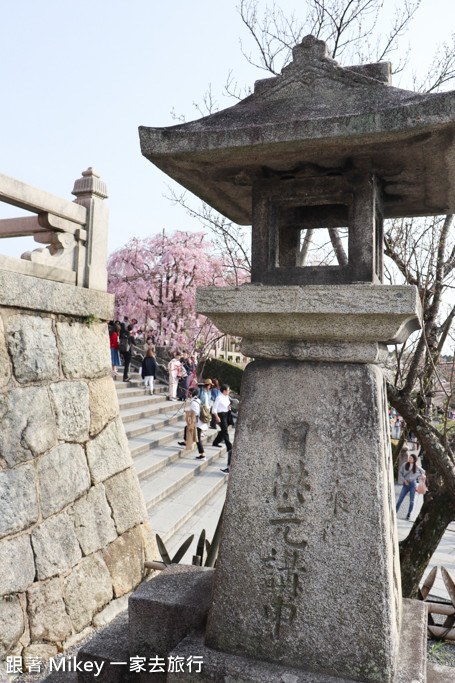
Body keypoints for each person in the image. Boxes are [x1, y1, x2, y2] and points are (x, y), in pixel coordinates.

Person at [396, 452, 426, 521]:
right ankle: (396, 511)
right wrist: (404, 480)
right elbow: (400, 473)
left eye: (411, 458)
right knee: (400, 498)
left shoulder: (417, 467)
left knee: (412, 500)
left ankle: (409, 514)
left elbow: (423, 472)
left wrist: (420, 475)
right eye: (409, 457)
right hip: (406, 484)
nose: (409, 459)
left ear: (414, 460)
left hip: (413, 484)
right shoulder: (404, 465)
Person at [212, 384, 233, 473]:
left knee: (224, 430)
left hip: (227, 414)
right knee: (225, 431)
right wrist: (217, 417)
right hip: (221, 415)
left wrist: (229, 408)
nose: (228, 392)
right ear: (224, 391)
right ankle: (229, 446)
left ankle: (216, 441)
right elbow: (214, 409)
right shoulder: (219, 398)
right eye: (227, 390)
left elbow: (227, 405)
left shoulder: (226, 397)